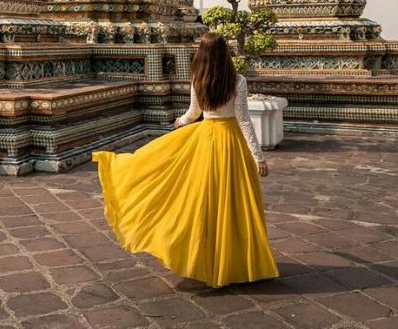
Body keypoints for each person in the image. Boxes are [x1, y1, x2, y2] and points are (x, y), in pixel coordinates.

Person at [92, 32, 279, 288]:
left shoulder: (198, 79)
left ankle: (204, 258)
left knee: (203, 202)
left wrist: (179, 122)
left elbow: (193, 113)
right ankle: (236, 261)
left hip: (205, 140)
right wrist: (258, 156)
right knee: (234, 204)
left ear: (202, 54)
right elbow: (244, 120)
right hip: (231, 143)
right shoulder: (237, 81)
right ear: (225, 53)